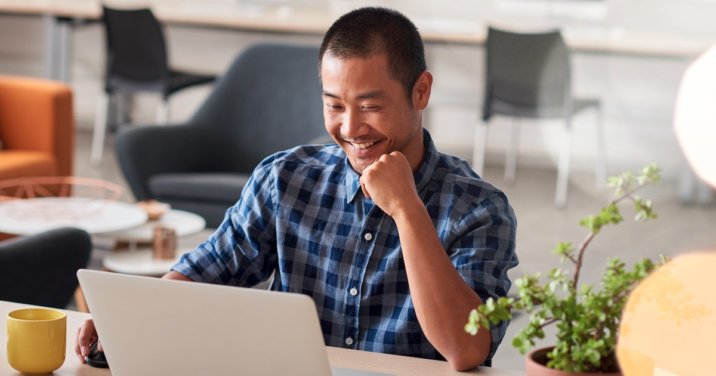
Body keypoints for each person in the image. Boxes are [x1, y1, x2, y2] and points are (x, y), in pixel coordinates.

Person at [76, 7, 518, 371]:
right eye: (334, 105)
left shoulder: (479, 209)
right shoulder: (286, 179)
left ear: (420, 91)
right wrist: (128, 315)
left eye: (371, 106)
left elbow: (467, 349)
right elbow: (208, 268)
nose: (349, 128)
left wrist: (407, 210)